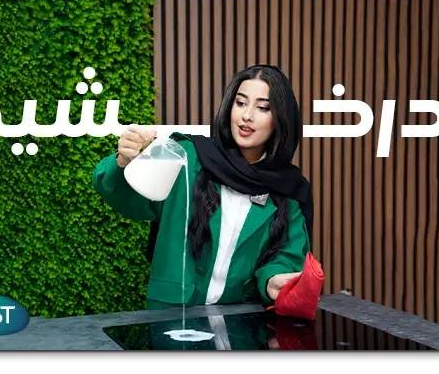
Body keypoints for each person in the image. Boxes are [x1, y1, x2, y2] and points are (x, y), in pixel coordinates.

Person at [92, 64, 313, 310]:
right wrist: (123, 162)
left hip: (239, 318)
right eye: (240, 103)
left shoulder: (288, 188)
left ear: (280, 118)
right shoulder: (186, 156)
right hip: (171, 313)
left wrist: (271, 279)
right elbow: (131, 200)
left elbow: (287, 253)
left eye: (263, 108)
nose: (247, 115)